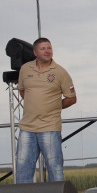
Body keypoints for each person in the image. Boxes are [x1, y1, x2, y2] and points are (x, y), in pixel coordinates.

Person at [16, 37, 76, 183]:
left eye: (49, 48)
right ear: (35, 52)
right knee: (23, 168)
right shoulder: (25, 69)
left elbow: (71, 98)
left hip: (49, 127)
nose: (47, 51)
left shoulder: (60, 72)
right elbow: (22, 91)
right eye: (42, 48)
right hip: (27, 128)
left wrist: (52, 106)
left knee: (54, 169)